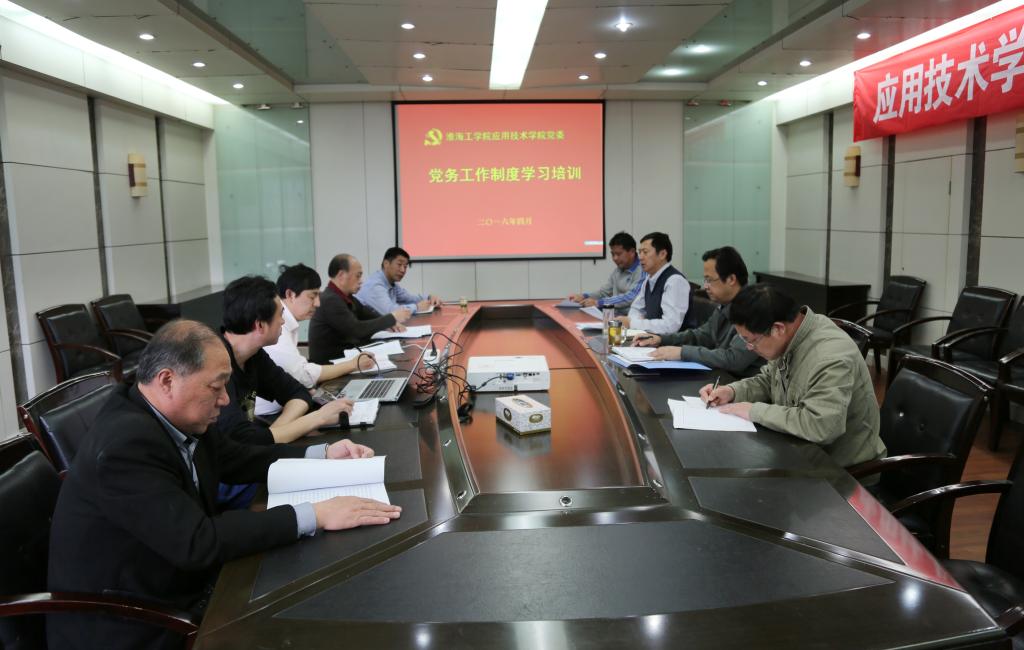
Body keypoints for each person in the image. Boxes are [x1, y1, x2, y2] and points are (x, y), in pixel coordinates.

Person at [46, 320, 401, 650]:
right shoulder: (125, 446)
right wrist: (317, 514)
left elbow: (238, 458)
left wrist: (321, 454)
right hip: (135, 620)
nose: (226, 400)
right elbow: (197, 541)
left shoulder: (173, 415)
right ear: (167, 381)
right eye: (216, 387)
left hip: (177, 581)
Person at [699, 284, 886, 469]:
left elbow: (821, 426)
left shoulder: (829, 356)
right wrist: (731, 391)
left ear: (778, 329)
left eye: (751, 341)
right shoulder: (791, 335)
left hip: (840, 471)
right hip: (798, 451)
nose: (749, 348)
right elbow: (768, 380)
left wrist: (753, 411)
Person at [219, 275, 352, 446]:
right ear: (260, 325)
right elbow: (242, 442)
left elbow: (298, 393)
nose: (283, 321)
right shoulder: (216, 367)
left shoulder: (254, 354)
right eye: (280, 315)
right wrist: (318, 417)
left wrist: (274, 432)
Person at [255, 263, 376, 417]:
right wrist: (352, 364)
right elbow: (304, 375)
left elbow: (298, 375)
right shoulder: (277, 327)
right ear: (290, 294)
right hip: (270, 414)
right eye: (312, 296)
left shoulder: (288, 324)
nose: (318, 303)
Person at [636, 246, 763, 377]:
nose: (706, 286)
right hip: (723, 378)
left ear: (731, 279)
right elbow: (702, 336)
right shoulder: (725, 305)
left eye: (710, 280)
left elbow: (733, 359)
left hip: (743, 384)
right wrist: (661, 339)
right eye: (705, 280)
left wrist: (681, 353)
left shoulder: (754, 308)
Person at [308, 254, 412, 364]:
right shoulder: (330, 300)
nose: (361, 281)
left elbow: (367, 314)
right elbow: (357, 330)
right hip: (331, 365)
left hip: (346, 356)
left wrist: (391, 323)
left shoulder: (345, 296)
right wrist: (392, 318)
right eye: (358, 276)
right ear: (341, 275)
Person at [619, 232, 691, 335]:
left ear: (662, 254)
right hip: (652, 339)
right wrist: (634, 322)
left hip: (674, 343)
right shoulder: (649, 279)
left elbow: (670, 326)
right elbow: (636, 308)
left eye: (645, 252)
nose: (640, 257)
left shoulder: (675, 281)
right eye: (640, 252)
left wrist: (633, 323)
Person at [568, 231, 645, 315]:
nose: (615, 258)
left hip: (630, 318)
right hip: (615, 315)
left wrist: (598, 303)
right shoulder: (618, 270)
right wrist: (584, 296)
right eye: (613, 254)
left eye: (618, 254)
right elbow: (604, 292)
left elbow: (631, 297)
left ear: (632, 252)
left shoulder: (642, 270)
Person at [355, 246, 442, 316]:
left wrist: (429, 297)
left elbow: (409, 298)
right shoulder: (375, 285)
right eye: (399, 264)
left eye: (405, 266)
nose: (403, 270)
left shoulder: (392, 284)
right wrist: (417, 307)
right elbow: (390, 312)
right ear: (386, 264)